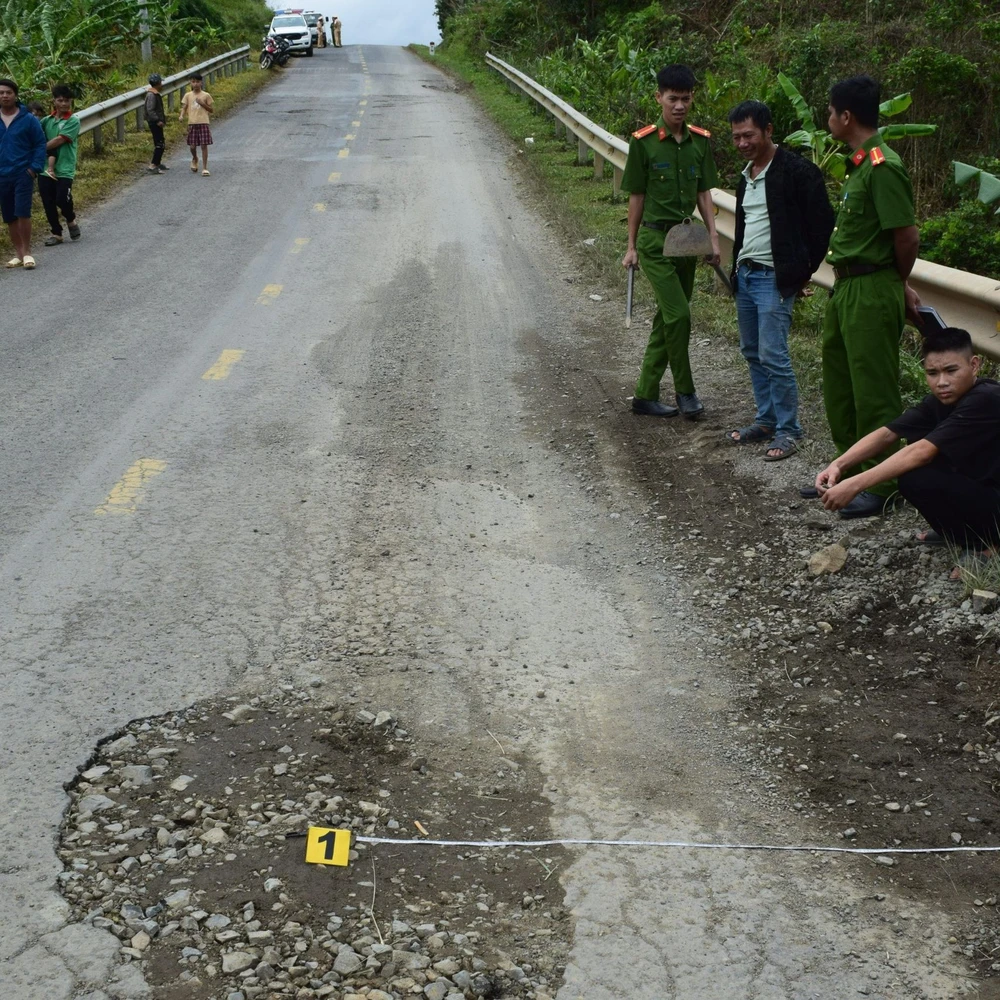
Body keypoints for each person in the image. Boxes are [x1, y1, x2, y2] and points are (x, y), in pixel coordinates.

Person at [802, 74, 921, 519]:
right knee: (840, 385)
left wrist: (895, 281)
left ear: (847, 116)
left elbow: (906, 237)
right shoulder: (858, 165)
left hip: (872, 287)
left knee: (873, 389)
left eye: (831, 112)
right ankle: (844, 472)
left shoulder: (882, 166)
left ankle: (884, 483)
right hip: (846, 286)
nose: (828, 118)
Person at [817, 329, 1000, 559]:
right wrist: (838, 464)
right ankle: (957, 532)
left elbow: (922, 452)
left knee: (917, 471)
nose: (942, 382)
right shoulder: (939, 401)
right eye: (932, 373)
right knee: (914, 470)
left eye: (951, 371)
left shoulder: (987, 398)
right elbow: (887, 434)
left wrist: (854, 485)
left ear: (974, 365)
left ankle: (985, 545)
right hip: (984, 485)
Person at [727, 99, 834, 460]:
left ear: (768, 130)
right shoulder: (746, 177)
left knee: (773, 354)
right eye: (737, 137)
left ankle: (789, 430)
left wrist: (800, 272)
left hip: (774, 279)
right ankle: (766, 420)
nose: (743, 143)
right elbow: (745, 229)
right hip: (745, 275)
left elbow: (822, 227)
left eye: (749, 135)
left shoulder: (798, 172)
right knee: (752, 351)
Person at [620, 64, 721, 420]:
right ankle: (686, 392)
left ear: (692, 99)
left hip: (687, 241)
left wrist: (712, 238)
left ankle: (645, 395)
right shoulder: (644, 142)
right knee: (679, 315)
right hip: (654, 241)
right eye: (673, 98)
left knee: (668, 319)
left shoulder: (700, 142)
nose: (679, 106)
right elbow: (636, 196)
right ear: (659, 97)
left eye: (686, 99)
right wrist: (631, 246)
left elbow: (704, 193)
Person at [0, 78, 46, 269]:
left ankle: (27, 253)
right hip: (2, 175)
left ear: (15, 95)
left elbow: (40, 144)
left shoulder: (28, 119)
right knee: (9, 215)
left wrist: (33, 169)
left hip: (23, 172)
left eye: (8, 92)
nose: (4, 96)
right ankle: (18, 253)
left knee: (22, 211)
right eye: (1, 93)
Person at [38, 84, 81, 247]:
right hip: (44, 168)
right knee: (48, 202)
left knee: (62, 198)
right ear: (54, 101)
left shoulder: (73, 121)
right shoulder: (46, 121)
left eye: (67, 101)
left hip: (65, 168)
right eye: (60, 100)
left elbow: (59, 140)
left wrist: (38, 149)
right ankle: (56, 233)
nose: (63, 104)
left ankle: (70, 219)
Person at [179, 74, 214, 176]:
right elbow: (184, 107)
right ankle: (195, 158)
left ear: (201, 83)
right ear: (190, 83)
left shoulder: (206, 95)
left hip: (203, 122)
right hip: (192, 122)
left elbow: (211, 110)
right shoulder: (188, 95)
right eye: (193, 82)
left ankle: (205, 168)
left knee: (204, 145)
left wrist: (203, 104)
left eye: (198, 82)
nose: (195, 84)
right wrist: (181, 115)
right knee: (192, 146)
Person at [145, 73, 168, 174]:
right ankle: (153, 164)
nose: (161, 84)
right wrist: (157, 120)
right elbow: (150, 110)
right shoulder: (152, 95)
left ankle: (158, 163)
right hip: (154, 122)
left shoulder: (153, 94)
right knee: (159, 144)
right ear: (158, 83)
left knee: (160, 142)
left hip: (155, 121)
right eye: (160, 82)